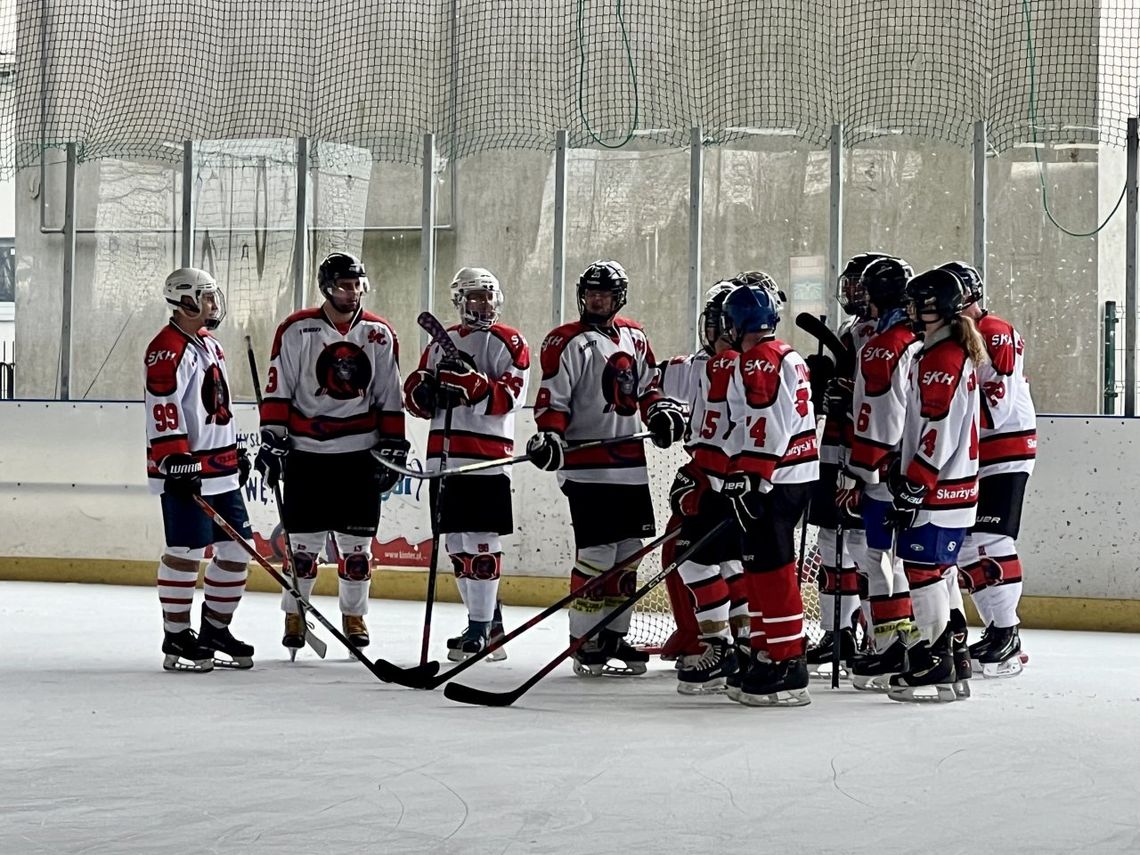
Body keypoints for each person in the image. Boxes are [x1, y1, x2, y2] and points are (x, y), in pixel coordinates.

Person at [527, 260, 686, 676]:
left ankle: (616, 634)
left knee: (628, 556)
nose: (597, 300)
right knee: (597, 555)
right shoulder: (565, 340)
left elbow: (648, 386)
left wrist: (660, 413)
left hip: (629, 464)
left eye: (605, 294)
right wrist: (550, 435)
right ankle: (584, 639)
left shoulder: (634, 336)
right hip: (586, 467)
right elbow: (553, 400)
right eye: (592, 293)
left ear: (619, 298)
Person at [255, 252, 408, 650]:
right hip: (307, 454)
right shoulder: (296, 329)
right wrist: (272, 439)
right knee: (302, 549)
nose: (352, 293)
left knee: (357, 551)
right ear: (326, 288)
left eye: (357, 285)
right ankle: (295, 613)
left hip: (360, 454)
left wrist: (394, 443)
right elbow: (278, 387)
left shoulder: (379, 333)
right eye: (344, 285)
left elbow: (389, 394)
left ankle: (354, 617)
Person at [403, 267, 530, 661]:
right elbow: (416, 391)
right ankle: (489, 626)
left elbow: (512, 395)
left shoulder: (509, 340)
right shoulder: (444, 343)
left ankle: (478, 630)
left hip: (486, 458)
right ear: (460, 301)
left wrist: (473, 385)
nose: (484, 304)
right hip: (443, 452)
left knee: (480, 539)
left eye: (489, 296)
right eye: (475, 296)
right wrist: (423, 392)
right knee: (458, 543)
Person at [144, 267, 254, 672]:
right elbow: (164, 408)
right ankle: (176, 633)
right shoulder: (166, 348)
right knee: (186, 551)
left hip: (219, 468)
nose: (212, 303)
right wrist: (173, 459)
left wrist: (234, 450)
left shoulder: (209, 344)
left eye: (212, 296)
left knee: (238, 550)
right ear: (185, 301)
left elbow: (217, 407)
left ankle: (214, 629)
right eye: (205, 296)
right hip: (185, 469)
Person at [884, 268, 983, 703]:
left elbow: (937, 429)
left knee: (922, 571)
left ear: (933, 308)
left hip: (939, 489)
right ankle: (955, 657)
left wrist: (915, 482)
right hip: (955, 488)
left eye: (914, 303)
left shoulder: (941, 359)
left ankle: (934, 660)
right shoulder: (945, 351)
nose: (908, 310)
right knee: (939, 572)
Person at [719, 280, 819, 707]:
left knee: (773, 566)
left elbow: (766, 422)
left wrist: (753, 477)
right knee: (757, 564)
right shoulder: (783, 353)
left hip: (777, 478)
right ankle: (766, 649)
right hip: (789, 473)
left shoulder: (758, 359)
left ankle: (787, 660)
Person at [941, 261, 1036, 678]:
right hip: (981, 451)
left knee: (991, 540)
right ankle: (999, 630)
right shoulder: (961, 332)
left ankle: (1008, 634)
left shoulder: (993, 329)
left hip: (1005, 448)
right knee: (968, 546)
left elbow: (994, 401)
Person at [663, 279, 753, 694]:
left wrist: (701, 475)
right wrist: (660, 408)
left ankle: (718, 650)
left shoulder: (734, 367)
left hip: (725, 480)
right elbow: (652, 383)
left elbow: (730, 435)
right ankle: (741, 647)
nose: (713, 331)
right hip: (740, 482)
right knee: (732, 565)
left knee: (694, 560)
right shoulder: (728, 363)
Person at [842, 256, 922, 691]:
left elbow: (881, 418)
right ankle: (930, 645)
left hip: (886, 475)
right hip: (915, 471)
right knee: (910, 562)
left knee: (881, 559)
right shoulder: (919, 338)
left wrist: (861, 473)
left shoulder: (885, 344)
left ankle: (893, 647)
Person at [804, 252, 886, 678]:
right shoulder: (851, 329)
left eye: (861, 284)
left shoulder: (893, 333)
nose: (852, 291)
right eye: (850, 283)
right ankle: (837, 633)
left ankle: (877, 633)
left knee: (863, 546)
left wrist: (848, 391)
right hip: (835, 447)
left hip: (867, 454)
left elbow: (884, 394)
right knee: (829, 545)